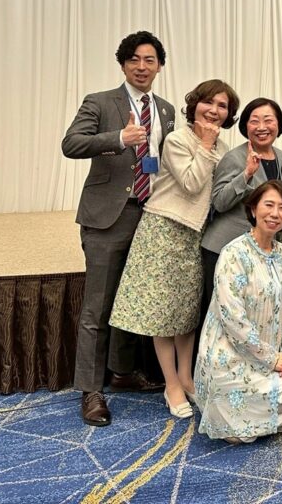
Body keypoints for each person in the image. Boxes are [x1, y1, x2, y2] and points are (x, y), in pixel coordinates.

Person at [61, 31, 175, 427]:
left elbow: (164, 160)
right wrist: (119, 138)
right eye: (134, 60)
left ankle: (122, 372)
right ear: (123, 64)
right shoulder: (100, 101)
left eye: (149, 60)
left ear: (160, 66)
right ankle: (91, 390)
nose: (142, 67)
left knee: (133, 299)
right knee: (98, 306)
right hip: (108, 216)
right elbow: (71, 144)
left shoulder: (166, 110)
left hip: (151, 215)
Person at [109, 80, 236, 419]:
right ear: (194, 105)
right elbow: (192, 183)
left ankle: (186, 377)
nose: (214, 110)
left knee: (186, 313)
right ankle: (172, 384)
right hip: (164, 227)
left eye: (222, 106)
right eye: (208, 102)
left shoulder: (224, 147)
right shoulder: (178, 140)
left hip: (196, 234)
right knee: (163, 314)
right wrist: (205, 145)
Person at [195, 180, 282, 443]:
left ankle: (237, 425)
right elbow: (233, 320)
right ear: (253, 209)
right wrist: (272, 360)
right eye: (268, 205)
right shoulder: (233, 253)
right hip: (232, 362)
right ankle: (230, 418)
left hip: (273, 362)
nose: (275, 214)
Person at [201, 98, 282, 335]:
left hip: (259, 249)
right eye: (254, 121)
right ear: (245, 126)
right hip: (224, 247)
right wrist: (247, 173)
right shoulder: (235, 157)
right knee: (223, 317)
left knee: (253, 315)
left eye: (268, 120)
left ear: (278, 124)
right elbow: (219, 202)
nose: (262, 127)